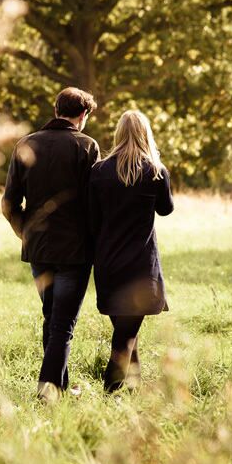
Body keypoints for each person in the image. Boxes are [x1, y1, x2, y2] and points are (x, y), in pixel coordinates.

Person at [1, 87, 100, 402]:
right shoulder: (86, 147)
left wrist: (25, 232)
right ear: (82, 115)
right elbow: (95, 202)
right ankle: (48, 390)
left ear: (57, 109)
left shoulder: (26, 145)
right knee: (63, 324)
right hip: (75, 250)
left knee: (52, 317)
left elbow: (8, 203)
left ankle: (62, 387)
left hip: (39, 249)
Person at [88, 110, 174, 392]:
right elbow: (166, 209)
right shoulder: (155, 171)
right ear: (145, 133)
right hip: (140, 265)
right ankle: (109, 392)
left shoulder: (99, 171)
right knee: (125, 335)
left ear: (118, 133)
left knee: (126, 330)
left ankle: (135, 389)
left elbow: (93, 214)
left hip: (108, 262)